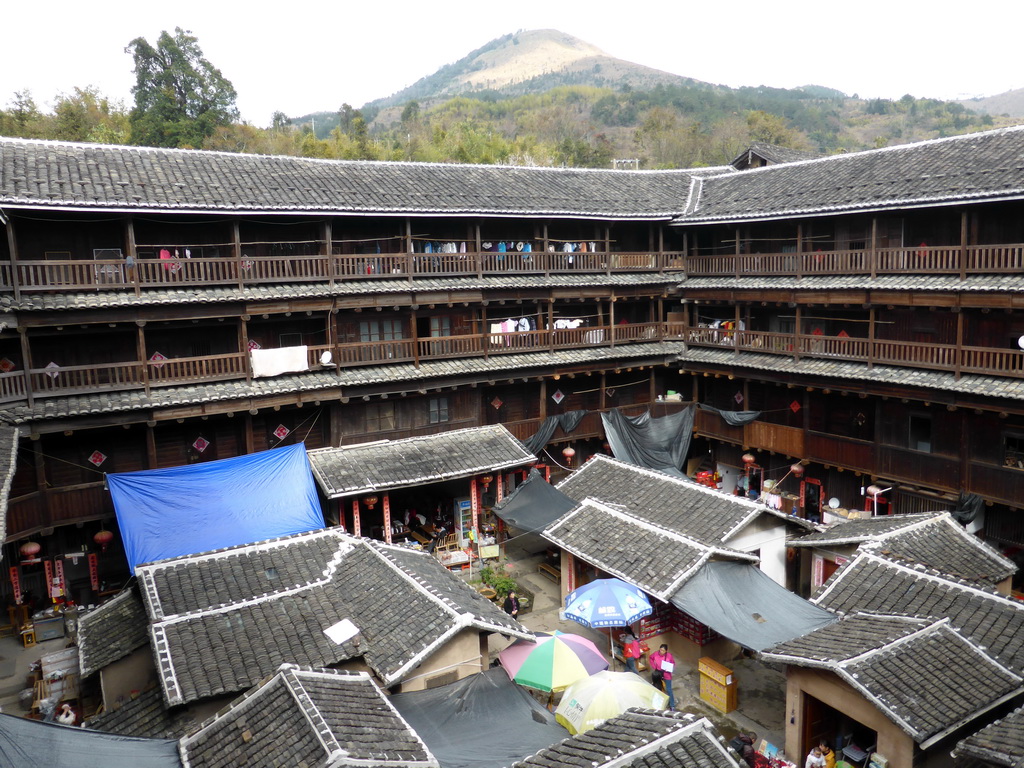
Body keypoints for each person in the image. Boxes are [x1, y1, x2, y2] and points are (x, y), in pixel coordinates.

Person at [649, 643, 676, 709]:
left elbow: (673, 663)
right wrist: (654, 666)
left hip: (667, 674)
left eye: (663, 650)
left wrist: (670, 668)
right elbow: (651, 658)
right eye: (660, 650)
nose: (661, 651)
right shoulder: (655, 654)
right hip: (658, 672)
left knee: (669, 689)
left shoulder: (669, 656)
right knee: (658, 688)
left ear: (666, 651)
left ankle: (672, 705)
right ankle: (659, 703)